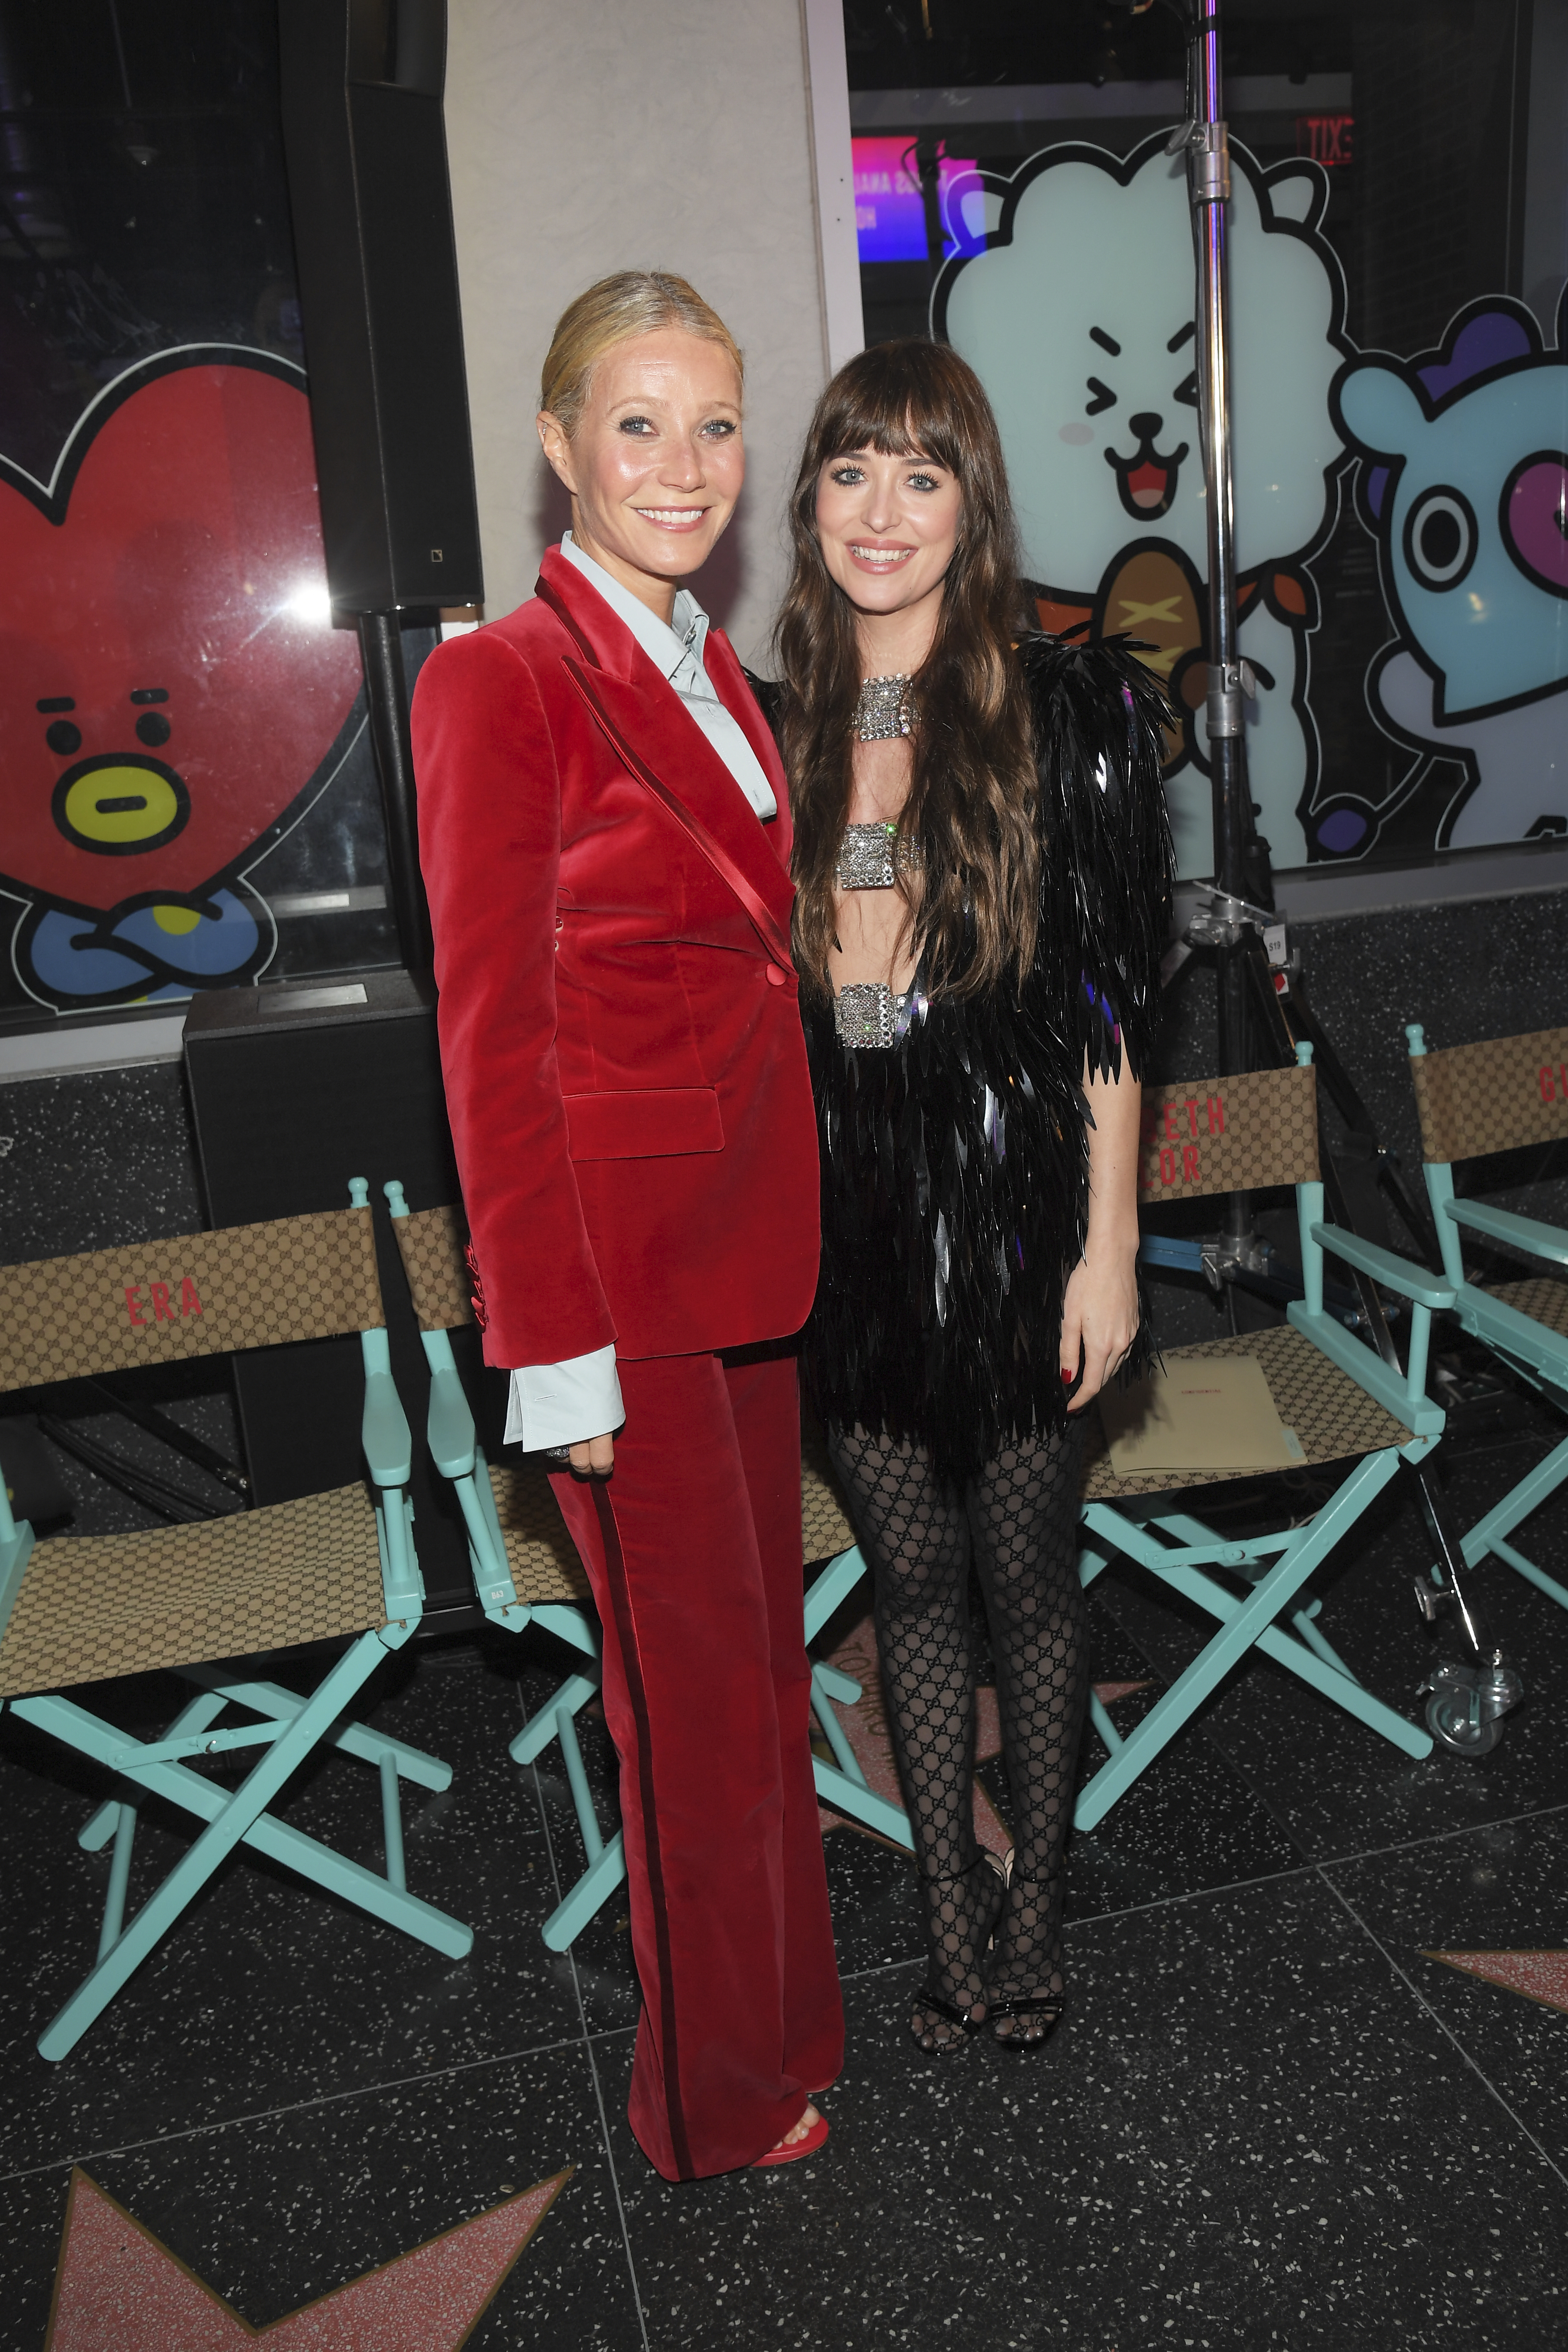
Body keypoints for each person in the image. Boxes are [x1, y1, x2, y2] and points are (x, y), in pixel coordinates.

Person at [411, 272, 843, 2176]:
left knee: (759, 1683)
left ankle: (789, 2029)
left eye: (717, 425)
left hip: (748, 1256)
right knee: (681, 1719)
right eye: (642, 425)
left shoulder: (712, 668)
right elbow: (492, 1044)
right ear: (560, 445)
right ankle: (711, 2106)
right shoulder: (497, 682)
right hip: (622, 1300)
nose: (685, 466)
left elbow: (742, 962)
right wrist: (549, 1342)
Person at [772, 339, 1171, 2054]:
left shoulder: (1065, 710)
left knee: (1028, 1579)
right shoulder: (761, 717)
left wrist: (1112, 1250)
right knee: (908, 1586)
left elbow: (1104, 1011)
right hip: (839, 1221)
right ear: (810, 501)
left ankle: (1042, 1903)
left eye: (922, 474)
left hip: (1015, 1216)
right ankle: (947, 1917)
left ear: (972, 508)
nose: (883, 509)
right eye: (854, 469)